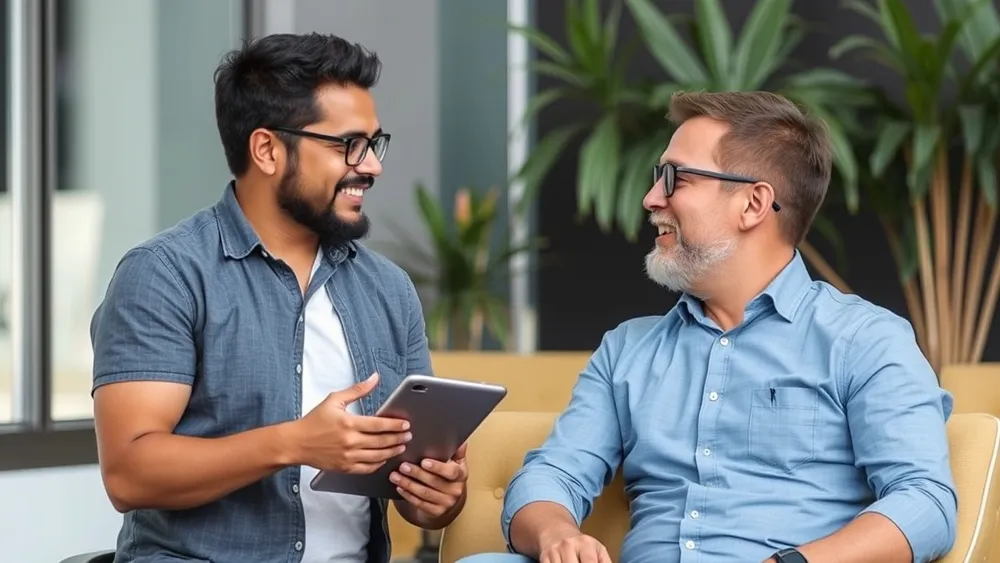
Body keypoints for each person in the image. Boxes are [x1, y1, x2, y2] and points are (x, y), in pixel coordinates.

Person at [459, 91, 957, 563]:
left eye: (676, 178)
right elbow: (553, 474)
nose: (652, 199)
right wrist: (558, 534)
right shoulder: (627, 350)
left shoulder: (866, 341)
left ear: (753, 204)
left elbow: (925, 503)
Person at [90, 33, 467, 563]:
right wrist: (294, 443)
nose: (372, 166)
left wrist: (438, 497)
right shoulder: (165, 275)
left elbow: (421, 500)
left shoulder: (388, 289)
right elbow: (129, 474)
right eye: (348, 145)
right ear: (267, 149)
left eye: (375, 144)